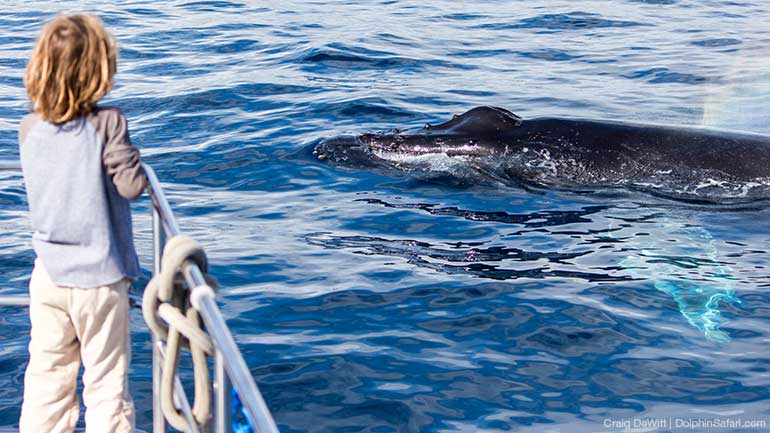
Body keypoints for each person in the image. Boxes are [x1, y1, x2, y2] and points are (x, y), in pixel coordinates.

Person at [17, 14, 146, 433]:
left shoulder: (29, 127)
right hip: (99, 280)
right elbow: (130, 187)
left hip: (49, 275)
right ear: (100, 72)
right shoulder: (108, 122)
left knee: (47, 384)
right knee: (106, 387)